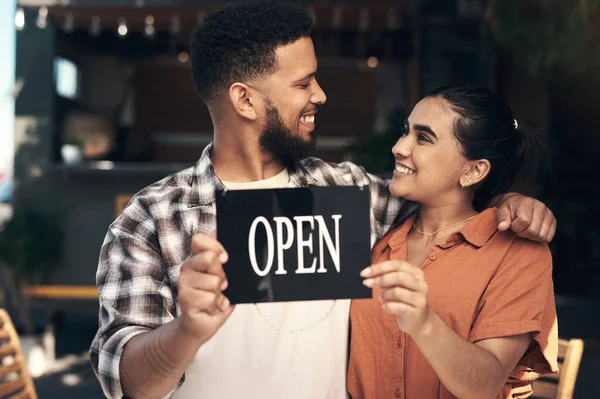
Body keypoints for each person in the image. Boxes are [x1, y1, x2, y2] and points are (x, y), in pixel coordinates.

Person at [89, 3, 556, 398]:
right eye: (302, 84)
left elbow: (446, 201)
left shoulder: (349, 193)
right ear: (245, 101)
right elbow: (126, 380)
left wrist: (510, 200)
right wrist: (184, 331)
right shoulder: (153, 218)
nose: (320, 94)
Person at [347, 85, 558, 399]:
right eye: (406, 131)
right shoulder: (378, 236)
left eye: (423, 138)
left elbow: (484, 384)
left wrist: (423, 321)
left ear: (473, 171)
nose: (399, 147)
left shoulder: (518, 253)